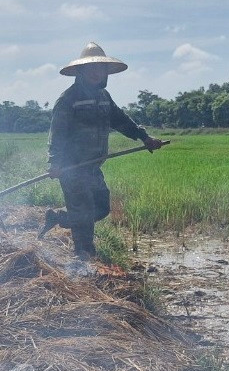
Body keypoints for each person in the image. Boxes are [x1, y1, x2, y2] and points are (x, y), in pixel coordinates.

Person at [42, 43, 164, 260]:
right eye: (91, 68)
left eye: (100, 68)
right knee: (83, 215)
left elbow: (122, 121)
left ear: (106, 72)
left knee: (101, 208)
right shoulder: (68, 99)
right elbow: (57, 133)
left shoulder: (104, 97)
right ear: (81, 71)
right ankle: (84, 262)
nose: (96, 72)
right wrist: (55, 162)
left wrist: (145, 138)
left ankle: (58, 217)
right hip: (73, 168)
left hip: (93, 166)